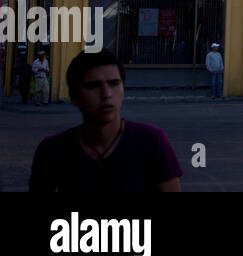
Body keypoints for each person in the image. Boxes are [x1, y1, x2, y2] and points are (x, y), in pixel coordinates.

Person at [29, 50, 182, 192]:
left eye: (114, 84)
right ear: (74, 96)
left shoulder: (151, 141)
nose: (106, 94)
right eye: (93, 86)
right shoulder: (52, 150)